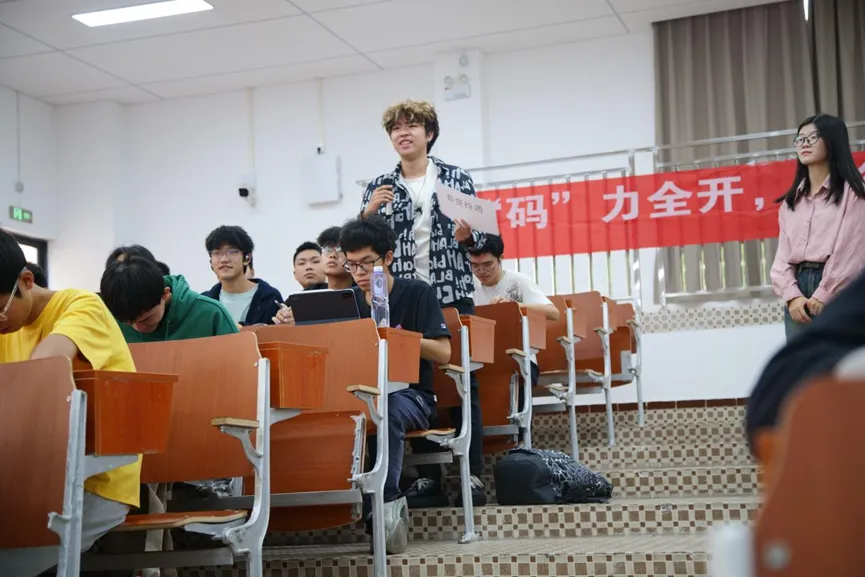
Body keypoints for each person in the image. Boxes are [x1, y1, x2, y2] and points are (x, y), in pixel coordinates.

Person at [360, 98, 489, 507]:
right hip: (400, 297)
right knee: (407, 382)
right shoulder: (380, 185)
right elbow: (359, 245)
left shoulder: (455, 178)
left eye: (412, 126)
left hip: (450, 290)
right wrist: (368, 212)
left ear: (428, 133)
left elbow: (485, 240)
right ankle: (429, 479)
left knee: (463, 382)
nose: (403, 133)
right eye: (396, 128)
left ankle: (471, 474)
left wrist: (470, 237)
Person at [0, 229, 139, 576]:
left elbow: (46, 367)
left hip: (95, 479)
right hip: (28, 475)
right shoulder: (7, 326)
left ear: (27, 281)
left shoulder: (81, 306)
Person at [340, 215, 451, 554]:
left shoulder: (416, 293)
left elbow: (444, 352)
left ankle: (384, 506)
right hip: (360, 392)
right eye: (351, 265)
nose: (359, 272)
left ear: (388, 257)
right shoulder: (346, 301)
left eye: (367, 263)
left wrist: (396, 338)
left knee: (385, 410)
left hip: (412, 395)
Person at [770, 114, 865, 341]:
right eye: (800, 138)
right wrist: (792, 296)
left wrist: (824, 293)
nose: (804, 143)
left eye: (813, 137)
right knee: (802, 361)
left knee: (838, 359)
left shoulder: (854, 193)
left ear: (833, 141)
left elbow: (852, 251)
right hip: (798, 290)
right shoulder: (791, 202)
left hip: (840, 286)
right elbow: (782, 256)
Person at [748, 268, 865, 448]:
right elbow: (781, 263)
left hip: (833, 284)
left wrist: (823, 293)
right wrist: (792, 295)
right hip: (775, 409)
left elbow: (847, 257)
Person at [470, 234, 560, 389]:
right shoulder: (467, 285)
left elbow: (553, 313)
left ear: (501, 258)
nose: (481, 271)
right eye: (474, 265)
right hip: (481, 359)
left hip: (519, 359)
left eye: (488, 264)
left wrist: (514, 307)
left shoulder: (518, 281)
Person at [101, 256, 238, 343]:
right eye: (128, 323)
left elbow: (239, 367)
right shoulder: (109, 319)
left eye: (146, 319)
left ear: (165, 294)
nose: (138, 328)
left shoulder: (211, 315)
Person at [201, 226, 282, 326]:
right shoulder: (204, 302)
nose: (224, 259)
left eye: (232, 252)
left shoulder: (269, 297)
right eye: (217, 253)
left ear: (247, 258)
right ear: (211, 261)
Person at [273, 227, 356, 325]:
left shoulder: (361, 294)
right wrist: (283, 316)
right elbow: (284, 312)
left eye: (340, 249)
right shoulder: (308, 295)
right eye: (327, 249)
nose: (333, 255)